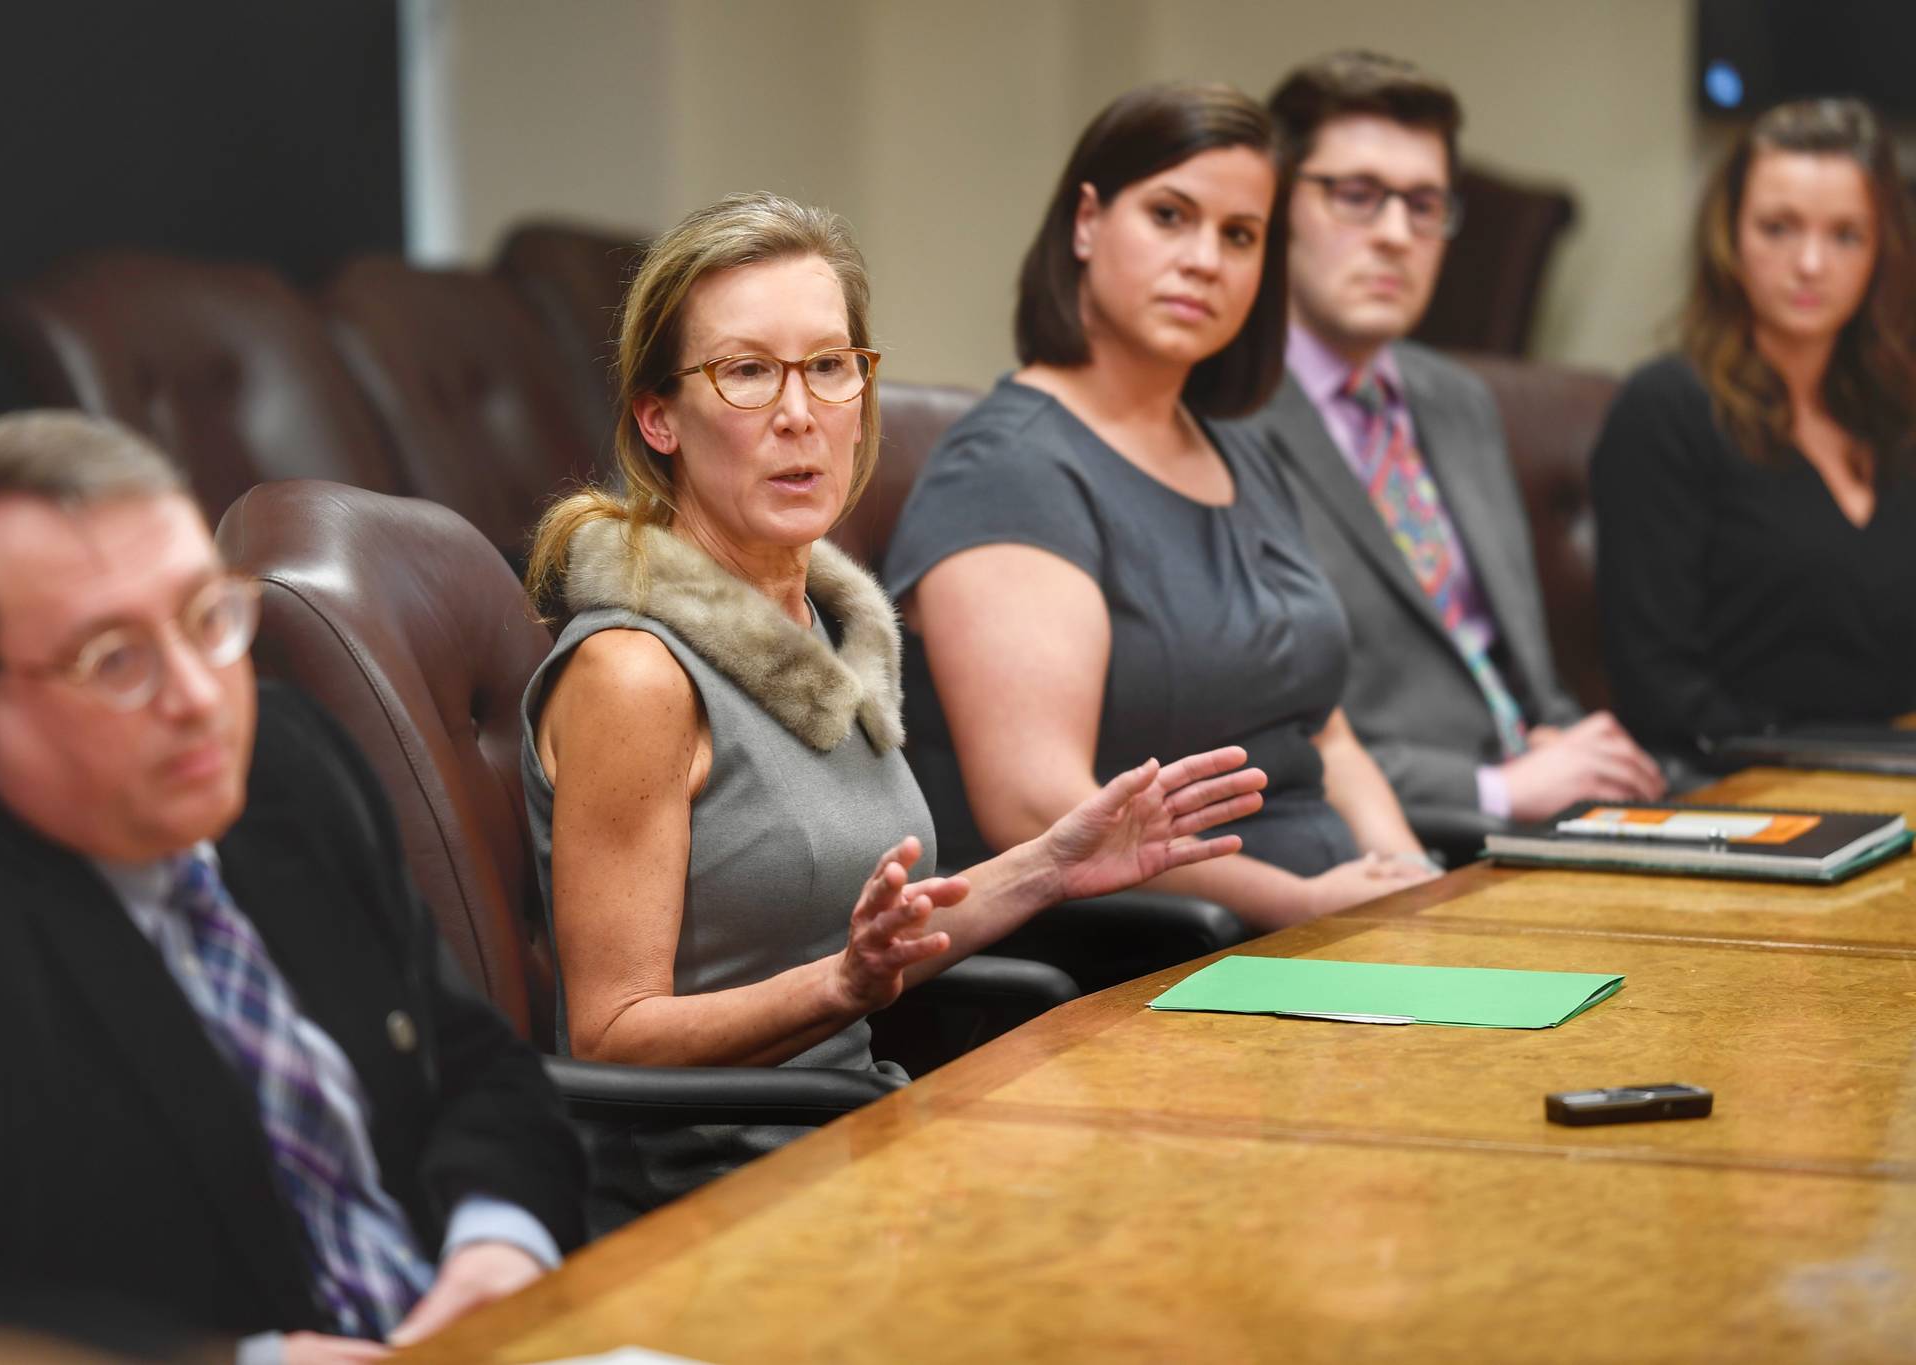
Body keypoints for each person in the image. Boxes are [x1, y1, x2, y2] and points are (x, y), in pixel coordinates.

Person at [521, 191, 1266, 1225]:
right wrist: (837, 988)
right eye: (745, 371)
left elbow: (875, 949)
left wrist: (1052, 865)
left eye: (829, 367)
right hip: (719, 1210)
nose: (798, 412)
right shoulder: (634, 675)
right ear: (658, 417)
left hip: (862, 1148)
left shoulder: (825, 639)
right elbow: (610, 1036)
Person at [0, 413, 588, 1364]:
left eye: (208, 617)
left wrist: (498, 1242)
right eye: (115, 658)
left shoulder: (288, 760)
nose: (200, 696)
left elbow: (477, 1066)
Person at [880, 83, 1438, 934]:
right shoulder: (1007, 469)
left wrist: (1413, 880)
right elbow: (1040, 814)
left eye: (1240, 235)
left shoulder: (1237, 446)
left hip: (1336, 926)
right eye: (1171, 216)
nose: (1206, 260)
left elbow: (1325, 735)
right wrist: (1306, 905)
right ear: (1087, 222)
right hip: (1164, 958)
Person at [1237, 51, 1665, 844]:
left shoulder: (1459, 398)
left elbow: (1515, 672)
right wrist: (1496, 787)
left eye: (1425, 204)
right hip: (1393, 839)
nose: (1398, 235)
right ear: (1277, 204)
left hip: (1553, 811)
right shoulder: (1223, 414)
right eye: (1358, 197)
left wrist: (1567, 746)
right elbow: (1265, 737)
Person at [1591, 96, 1916, 766]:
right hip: (1732, 788)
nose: (1811, 265)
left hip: (1893, 775)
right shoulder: (1666, 409)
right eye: (1779, 228)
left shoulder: (1897, 416)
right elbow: (1661, 690)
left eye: (1846, 235)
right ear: (1730, 236)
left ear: (1881, 248)